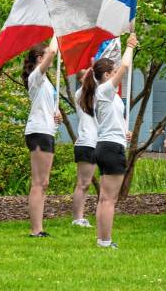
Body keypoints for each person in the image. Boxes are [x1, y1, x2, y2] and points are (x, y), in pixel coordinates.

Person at [93, 33, 137, 249]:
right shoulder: (105, 89)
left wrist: (123, 133)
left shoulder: (104, 95)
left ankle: (101, 239)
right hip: (110, 148)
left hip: (107, 144)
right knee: (110, 199)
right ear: (108, 74)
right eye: (114, 70)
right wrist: (129, 46)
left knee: (104, 197)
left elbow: (112, 120)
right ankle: (106, 241)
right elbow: (125, 67)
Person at [22, 36, 62, 237]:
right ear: (39, 58)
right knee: (38, 182)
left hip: (47, 131)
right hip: (38, 131)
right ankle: (35, 230)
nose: (51, 58)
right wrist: (57, 32)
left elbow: (45, 103)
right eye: (46, 55)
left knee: (43, 182)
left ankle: (39, 228)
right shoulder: (36, 77)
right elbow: (53, 52)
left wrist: (55, 113)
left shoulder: (45, 81)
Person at [72, 69, 98, 228]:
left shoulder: (96, 95)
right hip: (86, 142)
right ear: (82, 79)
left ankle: (80, 217)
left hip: (97, 142)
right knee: (83, 183)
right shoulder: (80, 94)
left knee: (86, 183)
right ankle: (77, 218)